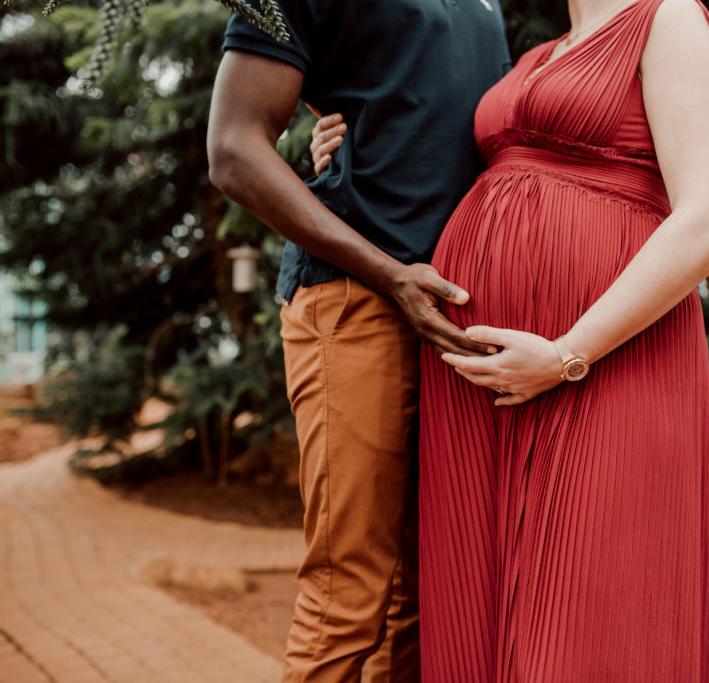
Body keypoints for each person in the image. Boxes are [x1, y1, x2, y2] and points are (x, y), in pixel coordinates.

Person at [315, 0, 709, 679]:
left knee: (590, 606)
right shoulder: (536, 55)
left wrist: (569, 352)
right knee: (476, 608)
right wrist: (350, 143)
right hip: (481, 382)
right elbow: (433, 146)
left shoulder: (668, 16)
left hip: (606, 362)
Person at [205, 1, 511, 681]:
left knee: (427, 594)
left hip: (453, 313)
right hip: (356, 297)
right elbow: (232, 149)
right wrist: (390, 272)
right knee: (349, 596)